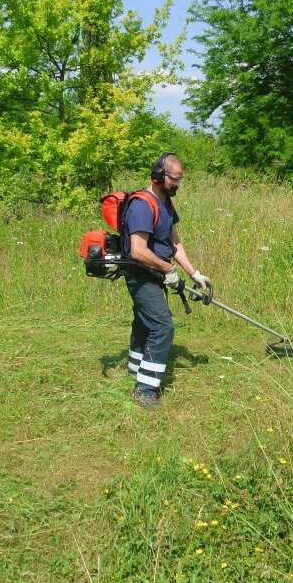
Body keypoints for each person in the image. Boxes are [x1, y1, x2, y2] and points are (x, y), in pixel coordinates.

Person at [122, 152, 211, 408]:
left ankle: (135, 368)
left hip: (156, 273)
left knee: (144, 322)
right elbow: (138, 251)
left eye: (180, 179)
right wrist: (168, 269)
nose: (178, 184)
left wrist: (194, 273)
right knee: (162, 326)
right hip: (141, 275)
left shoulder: (166, 204)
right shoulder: (142, 205)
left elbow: (175, 244)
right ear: (159, 176)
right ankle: (144, 390)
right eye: (175, 179)